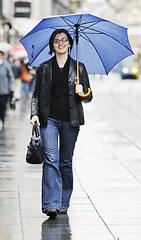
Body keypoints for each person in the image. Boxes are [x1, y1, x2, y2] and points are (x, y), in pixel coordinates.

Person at [30, 29, 93, 219]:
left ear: (70, 44)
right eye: (57, 40)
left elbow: (89, 97)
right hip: (48, 118)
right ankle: (51, 204)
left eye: (64, 40)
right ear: (52, 45)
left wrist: (82, 92)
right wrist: (34, 114)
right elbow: (37, 95)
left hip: (70, 120)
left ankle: (64, 201)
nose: (61, 43)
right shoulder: (44, 68)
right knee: (51, 160)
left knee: (65, 161)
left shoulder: (79, 68)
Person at [0, 51, 15, 130]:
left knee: (3, 106)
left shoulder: (6, 65)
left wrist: (10, 87)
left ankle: (3, 119)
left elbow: (11, 77)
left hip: (4, 91)